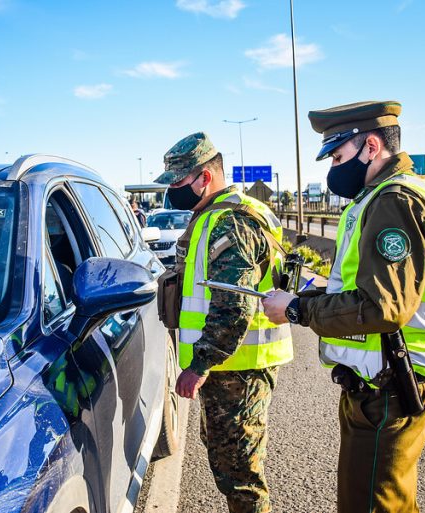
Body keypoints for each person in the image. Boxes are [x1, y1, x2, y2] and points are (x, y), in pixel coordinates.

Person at [261, 101, 425, 513]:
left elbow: (383, 307)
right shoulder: (379, 198)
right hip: (380, 384)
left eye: (337, 156)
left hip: (390, 388)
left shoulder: (395, 201)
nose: (333, 168)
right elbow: (358, 288)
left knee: (370, 505)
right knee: (386, 501)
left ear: (371, 146)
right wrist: (300, 301)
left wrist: (298, 310)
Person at [156, 132, 292, 513]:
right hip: (230, 366)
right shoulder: (219, 215)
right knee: (229, 466)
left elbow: (234, 305)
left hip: (238, 368)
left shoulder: (230, 221)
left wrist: (199, 365)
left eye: (178, 183)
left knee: (241, 478)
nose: (173, 193)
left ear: (204, 177)